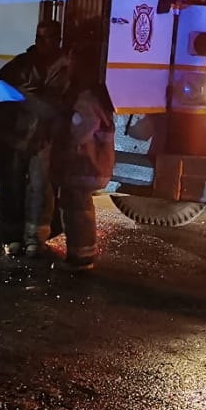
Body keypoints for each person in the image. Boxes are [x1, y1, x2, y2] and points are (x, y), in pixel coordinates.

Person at [0, 17, 71, 257]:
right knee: (11, 185)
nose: (43, 42)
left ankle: (35, 238)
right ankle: (12, 237)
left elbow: (60, 103)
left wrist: (26, 96)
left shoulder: (66, 67)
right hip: (18, 132)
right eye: (39, 37)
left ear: (57, 40)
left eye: (48, 38)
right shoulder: (22, 63)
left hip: (44, 136)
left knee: (40, 187)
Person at [49, 40, 117, 271]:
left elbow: (83, 128)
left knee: (76, 207)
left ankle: (80, 258)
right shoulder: (98, 93)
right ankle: (81, 255)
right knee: (78, 205)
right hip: (93, 164)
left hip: (85, 164)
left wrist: (67, 136)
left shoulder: (86, 97)